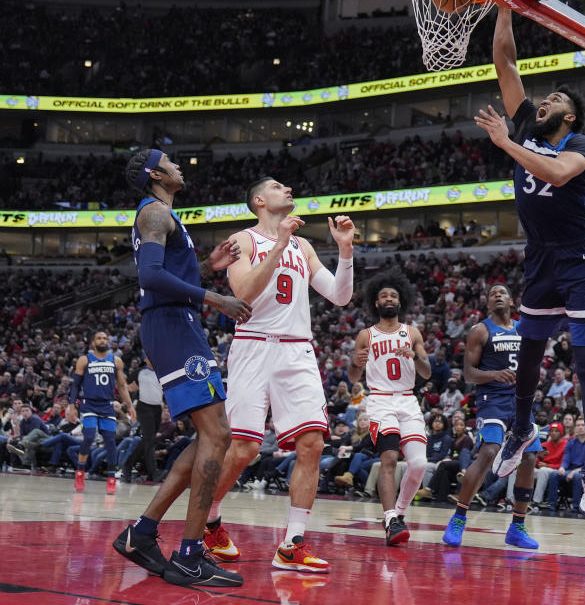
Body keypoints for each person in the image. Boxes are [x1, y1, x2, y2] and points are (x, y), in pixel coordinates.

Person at [477, 7, 585, 515]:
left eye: (553, 100)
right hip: (540, 261)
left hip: (580, 263)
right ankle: (521, 428)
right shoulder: (529, 125)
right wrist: (503, 0)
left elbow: (556, 175)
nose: (543, 101)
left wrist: (507, 143)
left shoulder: (580, 144)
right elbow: (505, 61)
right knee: (528, 356)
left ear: (568, 116)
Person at [112, 148, 251, 588]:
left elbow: (166, 273)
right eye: (169, 161)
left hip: (176, 324)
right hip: (172, 326)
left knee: (212, 436)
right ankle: (189, 555)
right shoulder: (154, 213)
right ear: (155, 173)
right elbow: (150, 277)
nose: (179, 165)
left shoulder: (165, 215)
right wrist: (217, 297)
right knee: (219, 434)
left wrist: (206, 270)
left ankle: (143, 533)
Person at [202, 177, 355, 572]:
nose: (288, 189)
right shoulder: (244, 240)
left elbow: (339, 296)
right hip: (254, 345)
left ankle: (292, 543)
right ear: (258, 200)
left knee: (312, 444)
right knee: (245, 450)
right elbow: (244, 294)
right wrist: (281, 245)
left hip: (297, 348)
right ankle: (208, 519)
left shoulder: (304, 246)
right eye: (277, 186)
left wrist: (345, 250)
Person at [442, 285, 540, 549]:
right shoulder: (480, 331)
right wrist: (495, 375)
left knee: (529, 457)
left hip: (521, 400)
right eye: (492, 293)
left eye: (502, 292)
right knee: (489, 451)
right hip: (492, 400)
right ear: (486, 303)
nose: (497, 295)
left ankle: (517, 526)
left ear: (511, 300)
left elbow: (533, 363)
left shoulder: (524, 328)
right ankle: (459, 518)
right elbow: (469, 374)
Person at [348, 271, 431, 545]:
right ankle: (390, 518)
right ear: (376, 302)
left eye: (393, 296)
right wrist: (355, 362)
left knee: (418, 464)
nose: (388, 299)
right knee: (389, 459)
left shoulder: (413, 332)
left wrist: (416, 356)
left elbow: (427, 373)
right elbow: (353, 378)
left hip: (407, 399)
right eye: (383, 296)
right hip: (381, 400)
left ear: (400, 301)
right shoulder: (365, 335)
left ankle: (400, 514)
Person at [69, 331, 135, 493]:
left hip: (107, 405)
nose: (102, 340)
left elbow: (122, 386)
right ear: (93, 343)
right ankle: (80, 472)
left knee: (110, 441)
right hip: (89, 404)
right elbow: (76, 385)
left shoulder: (116, 361)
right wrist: (72, 406)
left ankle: (111, 478)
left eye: (105, 338)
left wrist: (130, 405)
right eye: (99, 338)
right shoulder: (85, 360)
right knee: (89, 436)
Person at [122, 357, 162, 482]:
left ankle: (127, 465)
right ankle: (154, 473)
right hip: (144, 407)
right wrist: (130, 388)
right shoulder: (140, 371)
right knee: (149, 440)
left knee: (148, 440)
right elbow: (125, 383)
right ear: (146, 359)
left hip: (157, 408)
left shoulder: (163, 371)